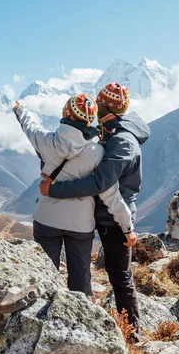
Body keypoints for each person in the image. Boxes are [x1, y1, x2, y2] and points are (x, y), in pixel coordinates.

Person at [39, 82, 150, 330]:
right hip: (93, 214)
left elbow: (101, 182)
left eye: (99, 103)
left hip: (114, 219)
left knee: (120, 276)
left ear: (106, 107)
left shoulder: (123, 142)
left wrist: (54, 189)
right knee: (89, 272)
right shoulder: (106, 130)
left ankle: (132, 333)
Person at [13, 94, 135, 297]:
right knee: (80, 278)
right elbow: (111, 194)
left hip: (46, 219)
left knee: (45, 275)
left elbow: (30, 126)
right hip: (80, 224)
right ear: (90, 120)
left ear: (66, 113)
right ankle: (82, 319)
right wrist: (127, 226)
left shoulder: (46, 141)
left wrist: (19, 110)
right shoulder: (97, 153)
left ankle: (42, 317)